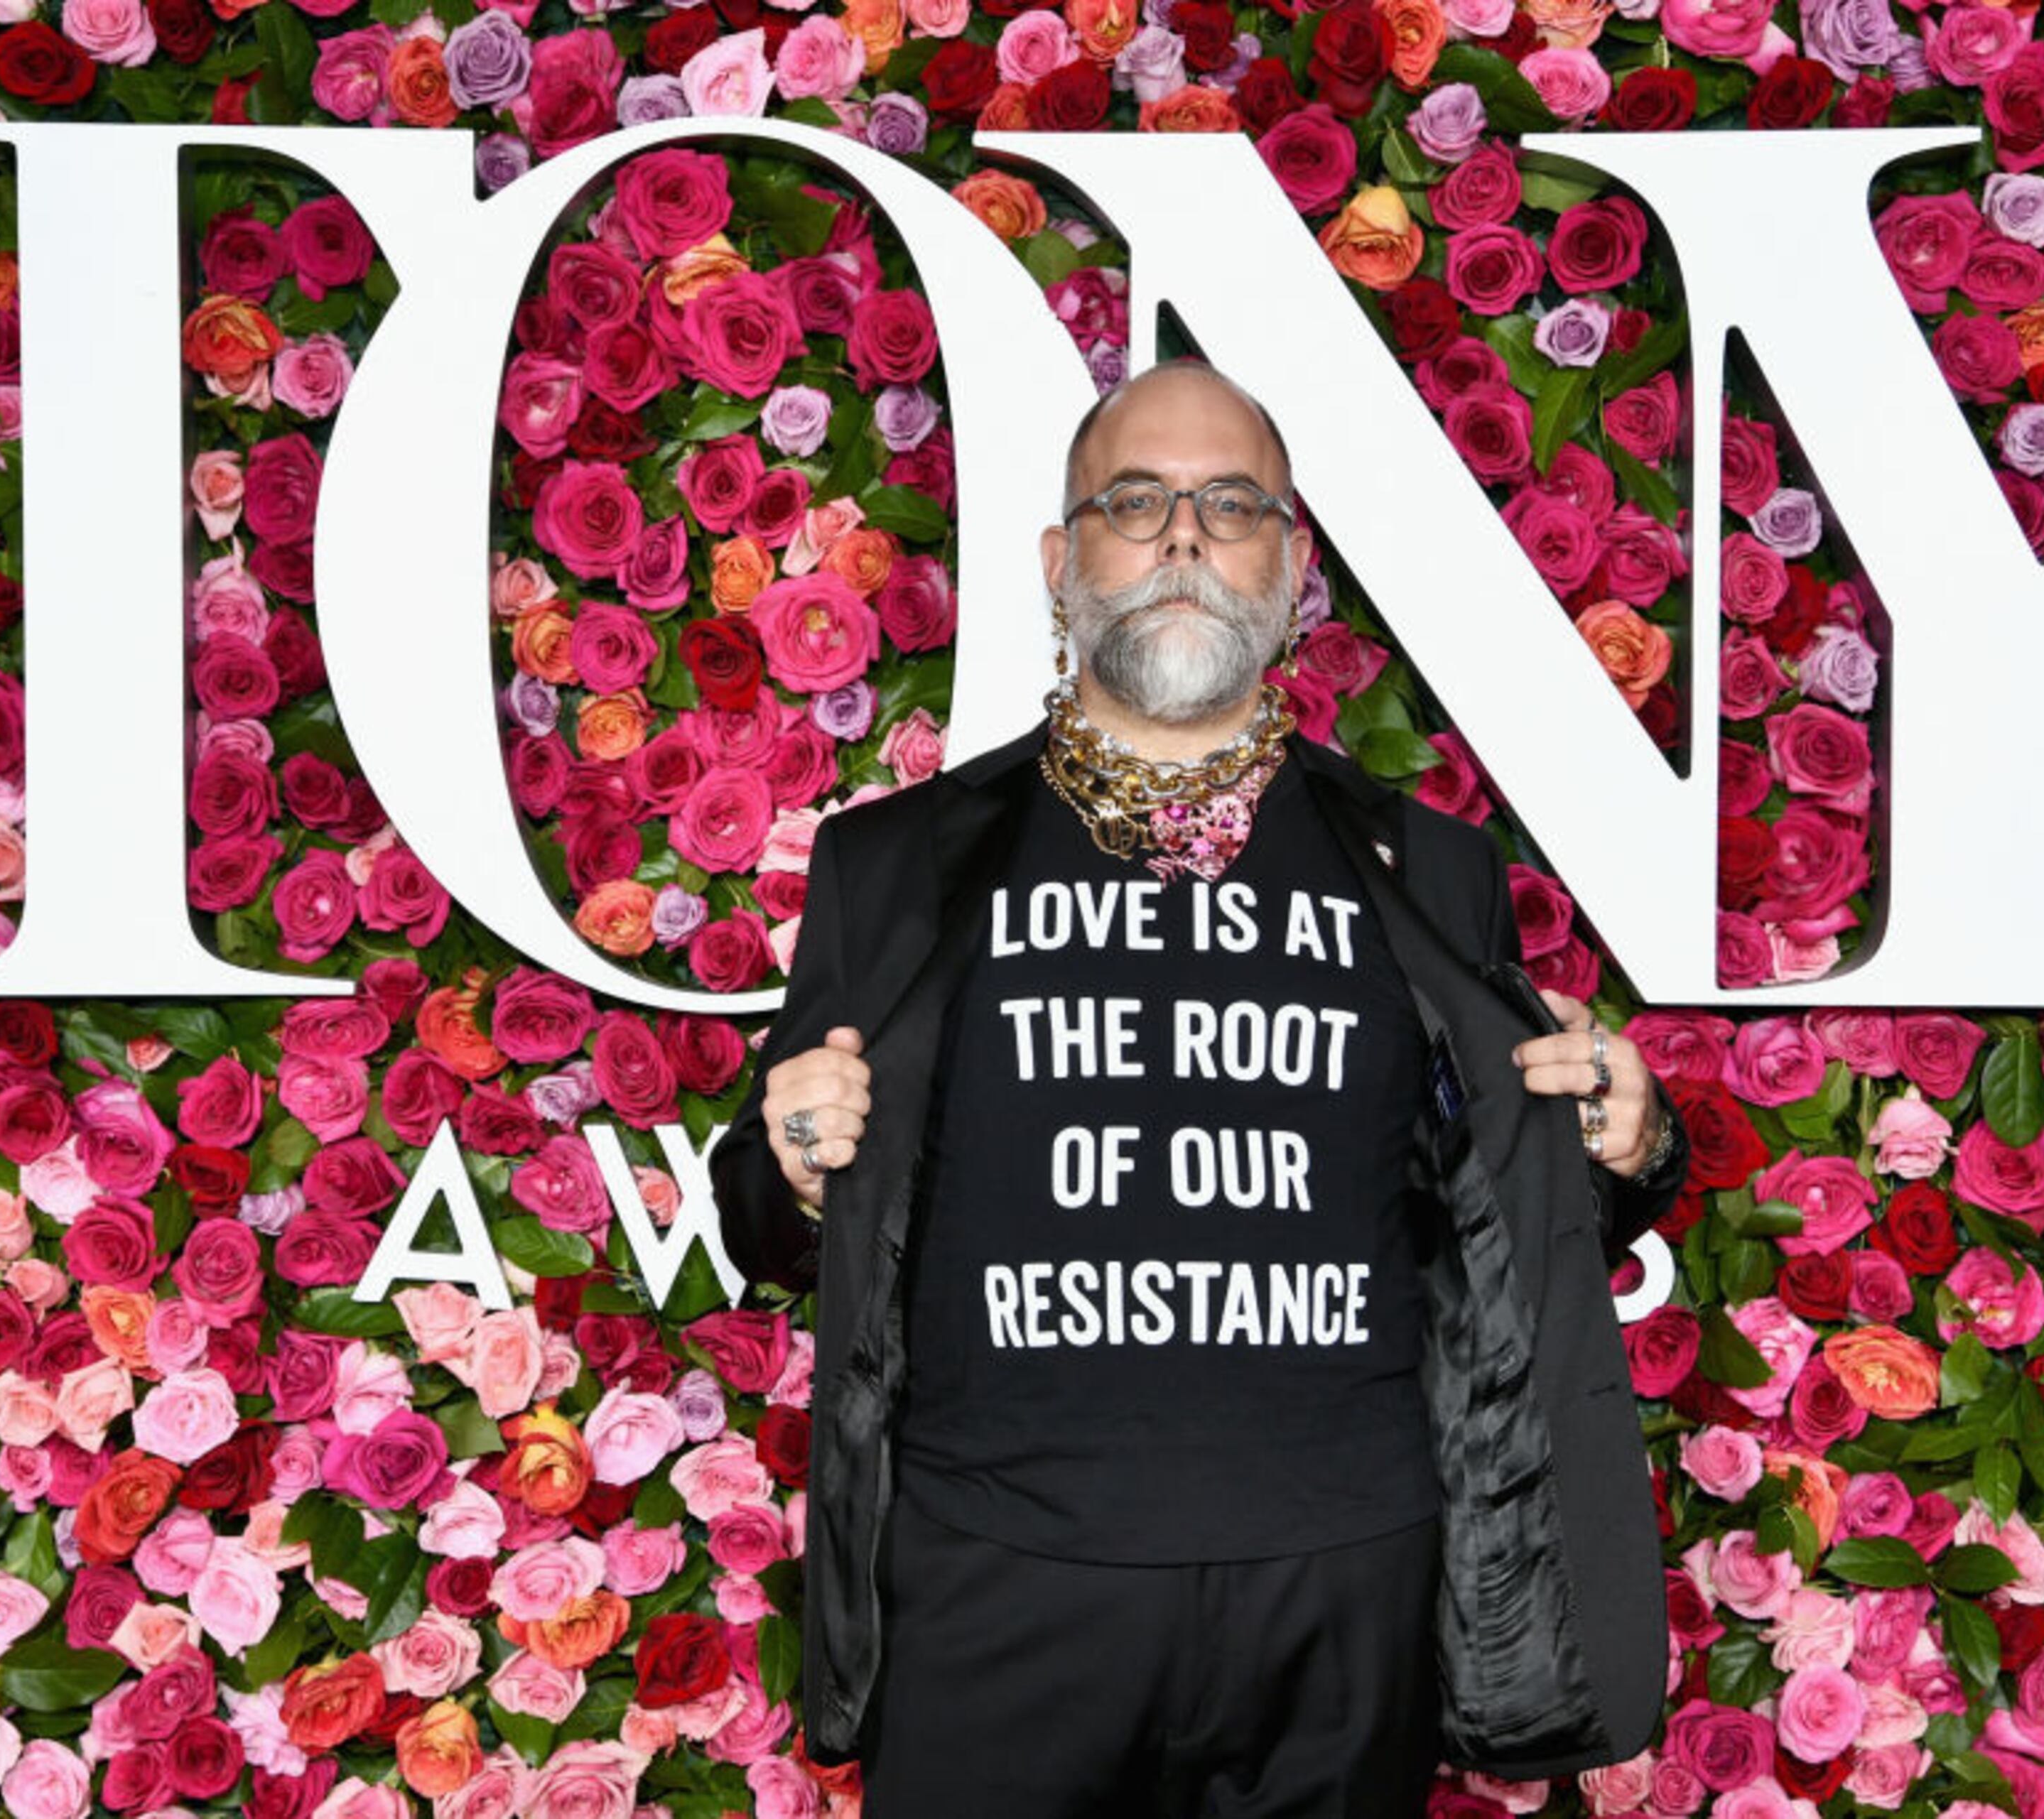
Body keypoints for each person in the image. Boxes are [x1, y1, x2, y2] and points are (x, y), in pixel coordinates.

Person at [713, 359, 1689, 1816]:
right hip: (999, 1583)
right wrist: (789, 1160)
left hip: (1342, 1592)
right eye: (1136, 501)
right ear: (1064, 561)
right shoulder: (898, 867)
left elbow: (1517, 1213)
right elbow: (762, 1217)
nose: (1183, 536)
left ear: (1290, 568)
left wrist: (1628, 1138)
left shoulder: (1428, 872)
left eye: (1232, 505)